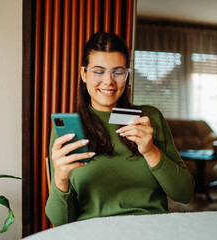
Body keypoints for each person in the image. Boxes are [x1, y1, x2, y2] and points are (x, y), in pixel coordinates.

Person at [46, 32, 194, 226]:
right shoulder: (69, 130)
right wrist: (60, 178)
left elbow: (184, 194)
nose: (108, 81)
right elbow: (60, 222)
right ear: (84, 74)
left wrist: (151, 151)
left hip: (152, 230)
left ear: (127, 74)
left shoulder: (149, 119)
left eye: (118, 71)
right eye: (98, 71)